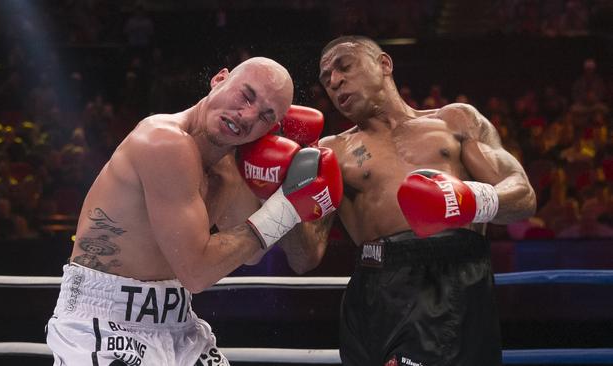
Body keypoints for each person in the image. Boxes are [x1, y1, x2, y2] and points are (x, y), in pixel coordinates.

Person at [46, 57, 342, 366]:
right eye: (247, 94)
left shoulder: (231, 167)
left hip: (177, 322)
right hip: (105, 317)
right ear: (219, 79)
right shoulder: (163, 141)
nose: (248, 115)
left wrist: (285, 179)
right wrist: (286, 207)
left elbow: (249, 252)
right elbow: (197, 272)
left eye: (266, 116)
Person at [303, 36, 537, 366]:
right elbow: (305, 256)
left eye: (344, 67)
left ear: (384, 65)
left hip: (458, 281)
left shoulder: (456, 121)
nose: (335, 82)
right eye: (326, 80)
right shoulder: (329, 152)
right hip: (377, 288)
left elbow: (523, 195)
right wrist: (286, 195)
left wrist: (468, 200)